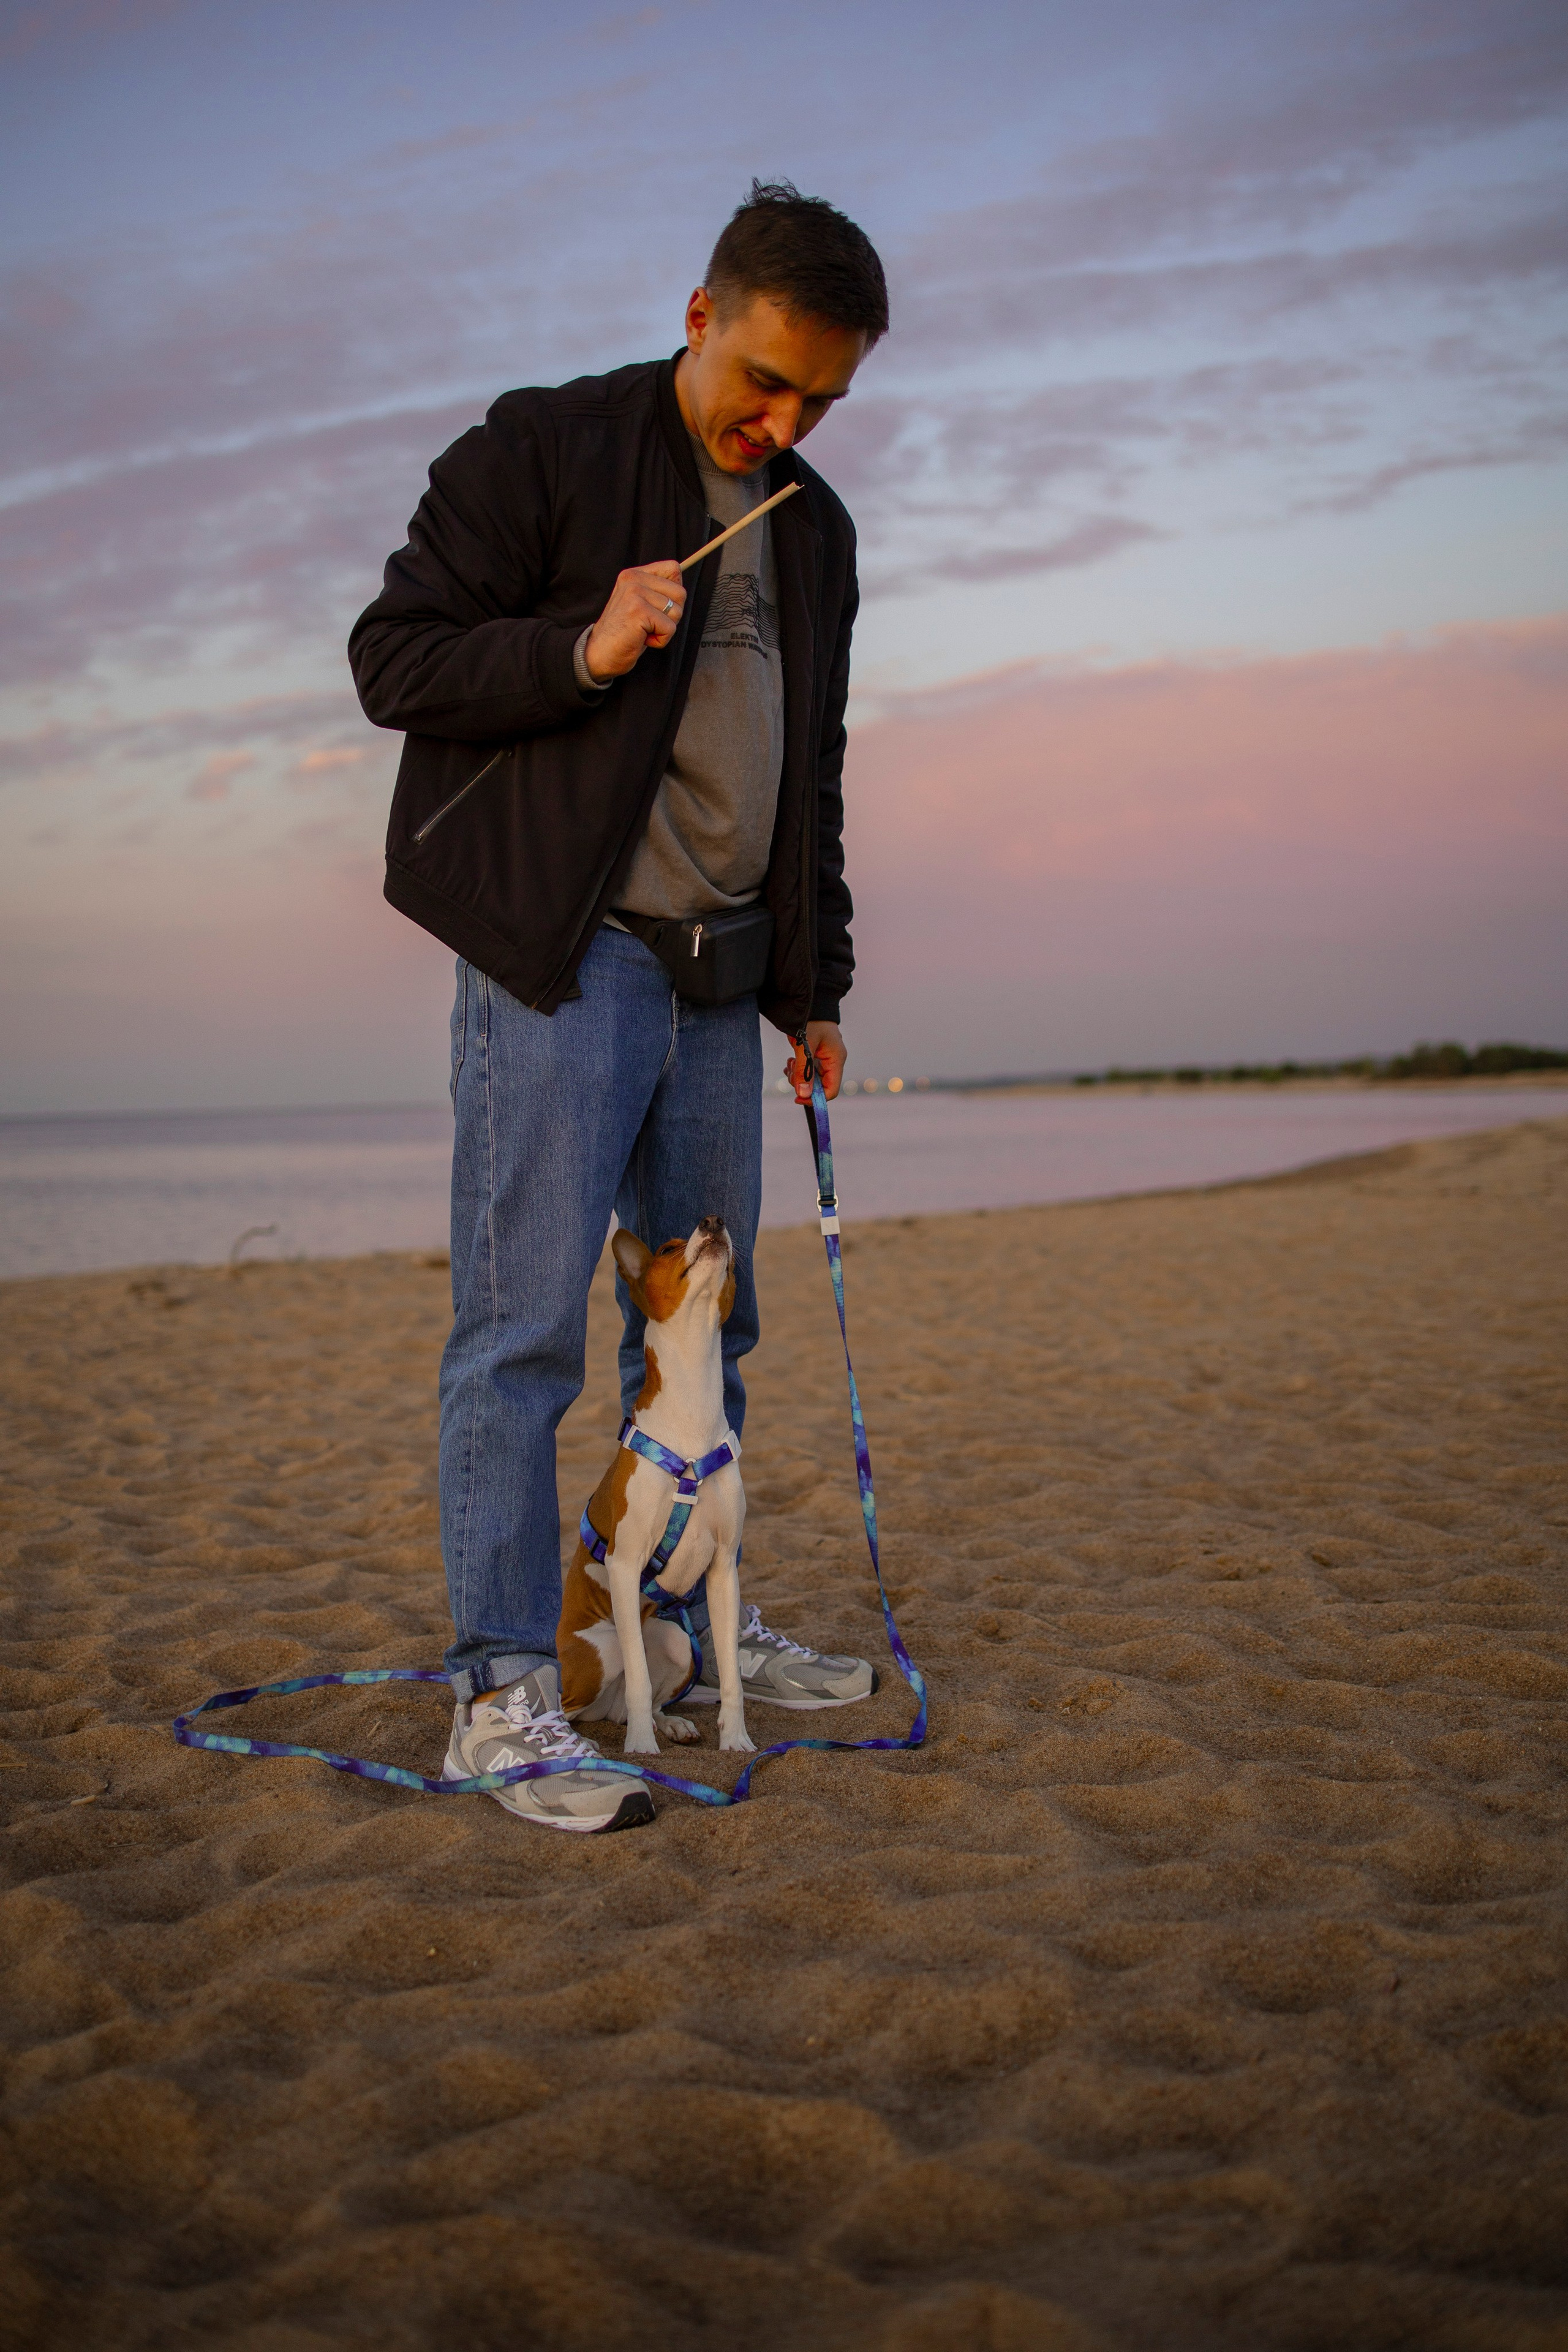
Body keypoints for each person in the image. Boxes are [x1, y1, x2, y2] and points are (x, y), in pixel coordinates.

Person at [349, 181, 888, 1834]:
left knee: (706, 1326)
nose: (784, 422)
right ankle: (505, 1689)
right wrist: (581, 652)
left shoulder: (815, 528)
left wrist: (817, 979)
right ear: (699, 316)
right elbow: (395, 660)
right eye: (767, 381)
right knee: (519, 1341)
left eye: (824, 401)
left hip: (726, 979)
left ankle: (664, 1610)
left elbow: (815, 771)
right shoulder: (542, 451)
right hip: (562, 961)